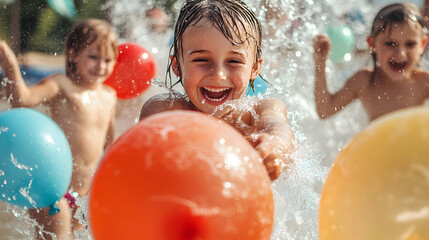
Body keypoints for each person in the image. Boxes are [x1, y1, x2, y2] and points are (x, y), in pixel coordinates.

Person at [139, 0, 295, 181]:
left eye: (234, 61)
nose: (218, 75)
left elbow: (279, 127)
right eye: (201, 60)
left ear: (254, 68)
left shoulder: (258, 112)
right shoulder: (166, 110)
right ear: (177, 66)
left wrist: (276, 144)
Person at [0, 19, 118, 239]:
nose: (101, 66)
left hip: (86, 195)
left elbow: (109, 146)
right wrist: (9, 64)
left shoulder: (109, 96)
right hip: (53, 191)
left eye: (108, 59)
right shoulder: (62, 85)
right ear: (72, 54)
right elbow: (22, 101)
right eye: (93, 57)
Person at [313, 3, 429, 122]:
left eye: (410, 44)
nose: (400, 53)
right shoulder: (364, 82)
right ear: (372, 44)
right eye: (390, 43)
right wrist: (320, 63)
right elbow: (325, 110)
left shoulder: (424, 82)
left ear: (422, 44)